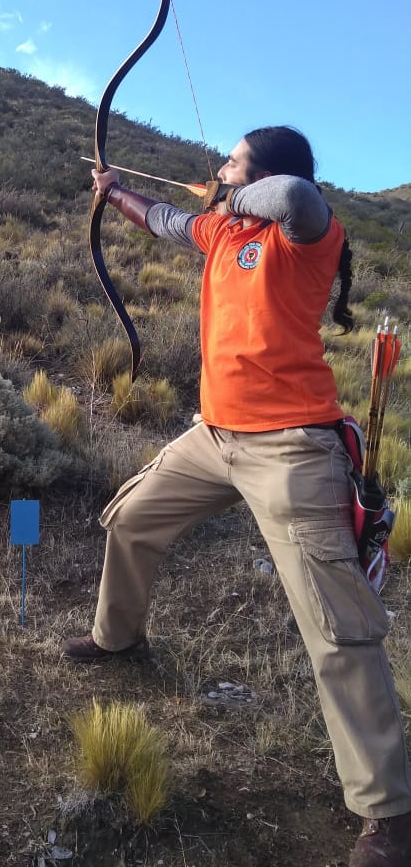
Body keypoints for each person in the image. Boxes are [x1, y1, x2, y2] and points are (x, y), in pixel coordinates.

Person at [61, 127, 411, 867]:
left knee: (338, 628)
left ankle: (384, 811)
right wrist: (112, 192)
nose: (217, 168)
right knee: (131, 518)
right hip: (213, 438)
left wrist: (232, 191)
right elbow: (160, 218)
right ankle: (116, 637)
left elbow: (295, 195)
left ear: (258, 176)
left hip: (293, 449)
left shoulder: (303, 236)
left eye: (231, 160)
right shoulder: (220, 231)